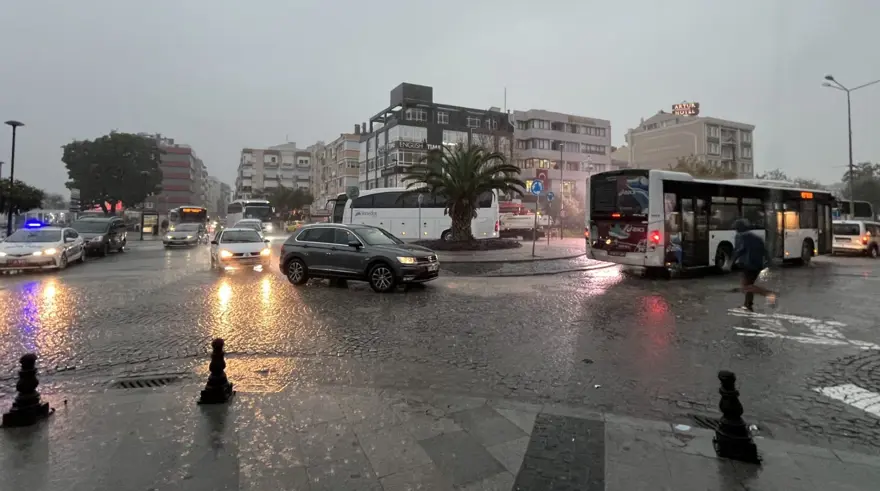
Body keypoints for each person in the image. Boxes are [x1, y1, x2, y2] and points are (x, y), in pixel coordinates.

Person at [733, 219, 777, 311]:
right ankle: (748, 305)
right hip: (758, 264)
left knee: (746, 286)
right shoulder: (757, 237)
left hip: (748, 264)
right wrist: (769, 261)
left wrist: (732, 261)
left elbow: (741, 250)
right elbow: (764, 250)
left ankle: (768, 294)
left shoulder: (742, 236)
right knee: (749, 284)